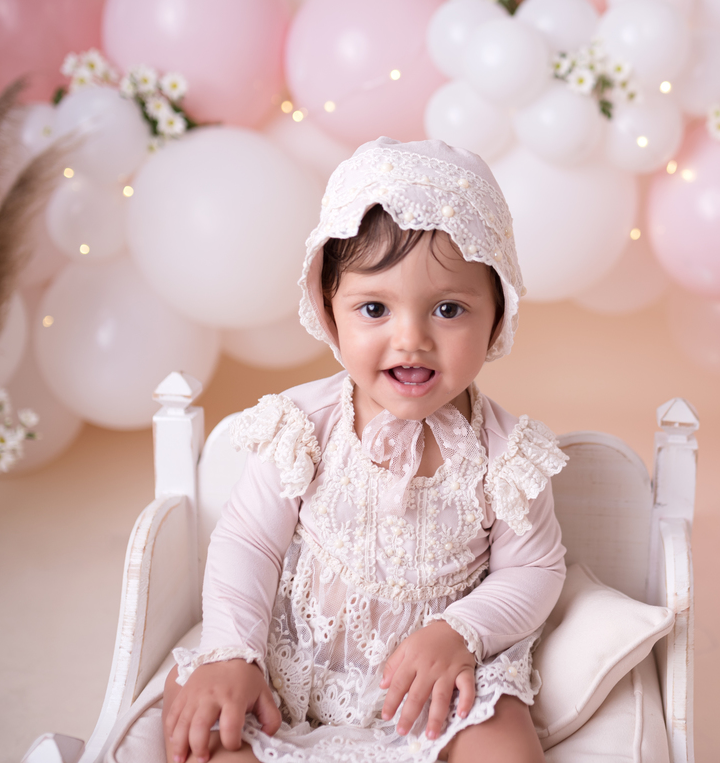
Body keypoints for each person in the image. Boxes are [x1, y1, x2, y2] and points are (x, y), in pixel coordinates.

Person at [159, 138, 568, 763]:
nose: (411, 338)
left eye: (449, 309)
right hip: (294, 667)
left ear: (496, 318)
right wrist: (233, 651)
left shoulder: (507, 457)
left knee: (503, 738)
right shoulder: (304, 426)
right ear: (331, 314)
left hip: (436, 686)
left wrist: (461, 631)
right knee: (207, 720)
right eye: (374, 308)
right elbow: (249, 542)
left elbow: (533, 569)